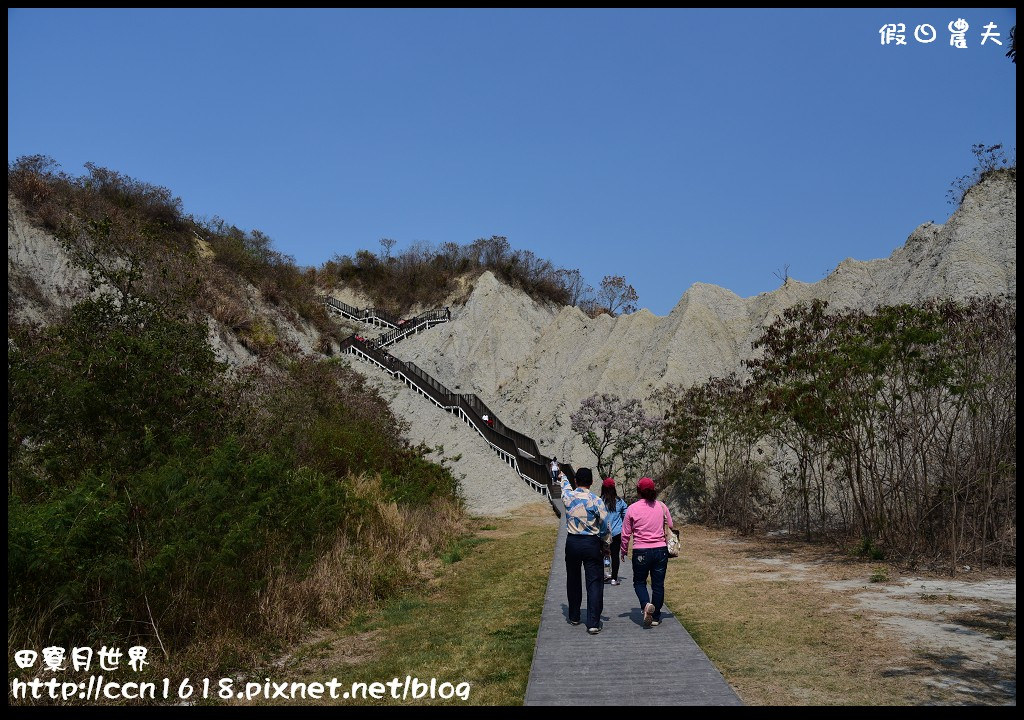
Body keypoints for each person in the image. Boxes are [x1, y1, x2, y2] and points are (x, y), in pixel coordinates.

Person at [560, 467, 610, 635]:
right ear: (592, 482)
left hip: (573, 542)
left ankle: (574, 616)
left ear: (576, 481)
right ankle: (593, 622)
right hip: (591, 543)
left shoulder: (568, 497)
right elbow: (604, 523)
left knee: (573, 579)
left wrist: (563, 477)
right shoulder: (596, 500)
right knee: (594, 581)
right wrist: (605, 542)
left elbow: (564, 486)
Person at [620, 477, 673, 628]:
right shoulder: (661, 506)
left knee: (639, 582)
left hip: (641, 551)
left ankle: (645, 604)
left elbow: (625, 533)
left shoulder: (632, 508)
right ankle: (655, 616)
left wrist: (623, 550)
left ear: (638, 491)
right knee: (658, 584)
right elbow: (670, 524)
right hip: (660, 550)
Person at [600, 478, 628, 586]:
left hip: (603, 533)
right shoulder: (619, 501)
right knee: (615, 555)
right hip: (617, 532)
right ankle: (614, 578)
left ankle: (606, 575)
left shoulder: (600, 500)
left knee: (605, 555)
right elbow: (626, 514)